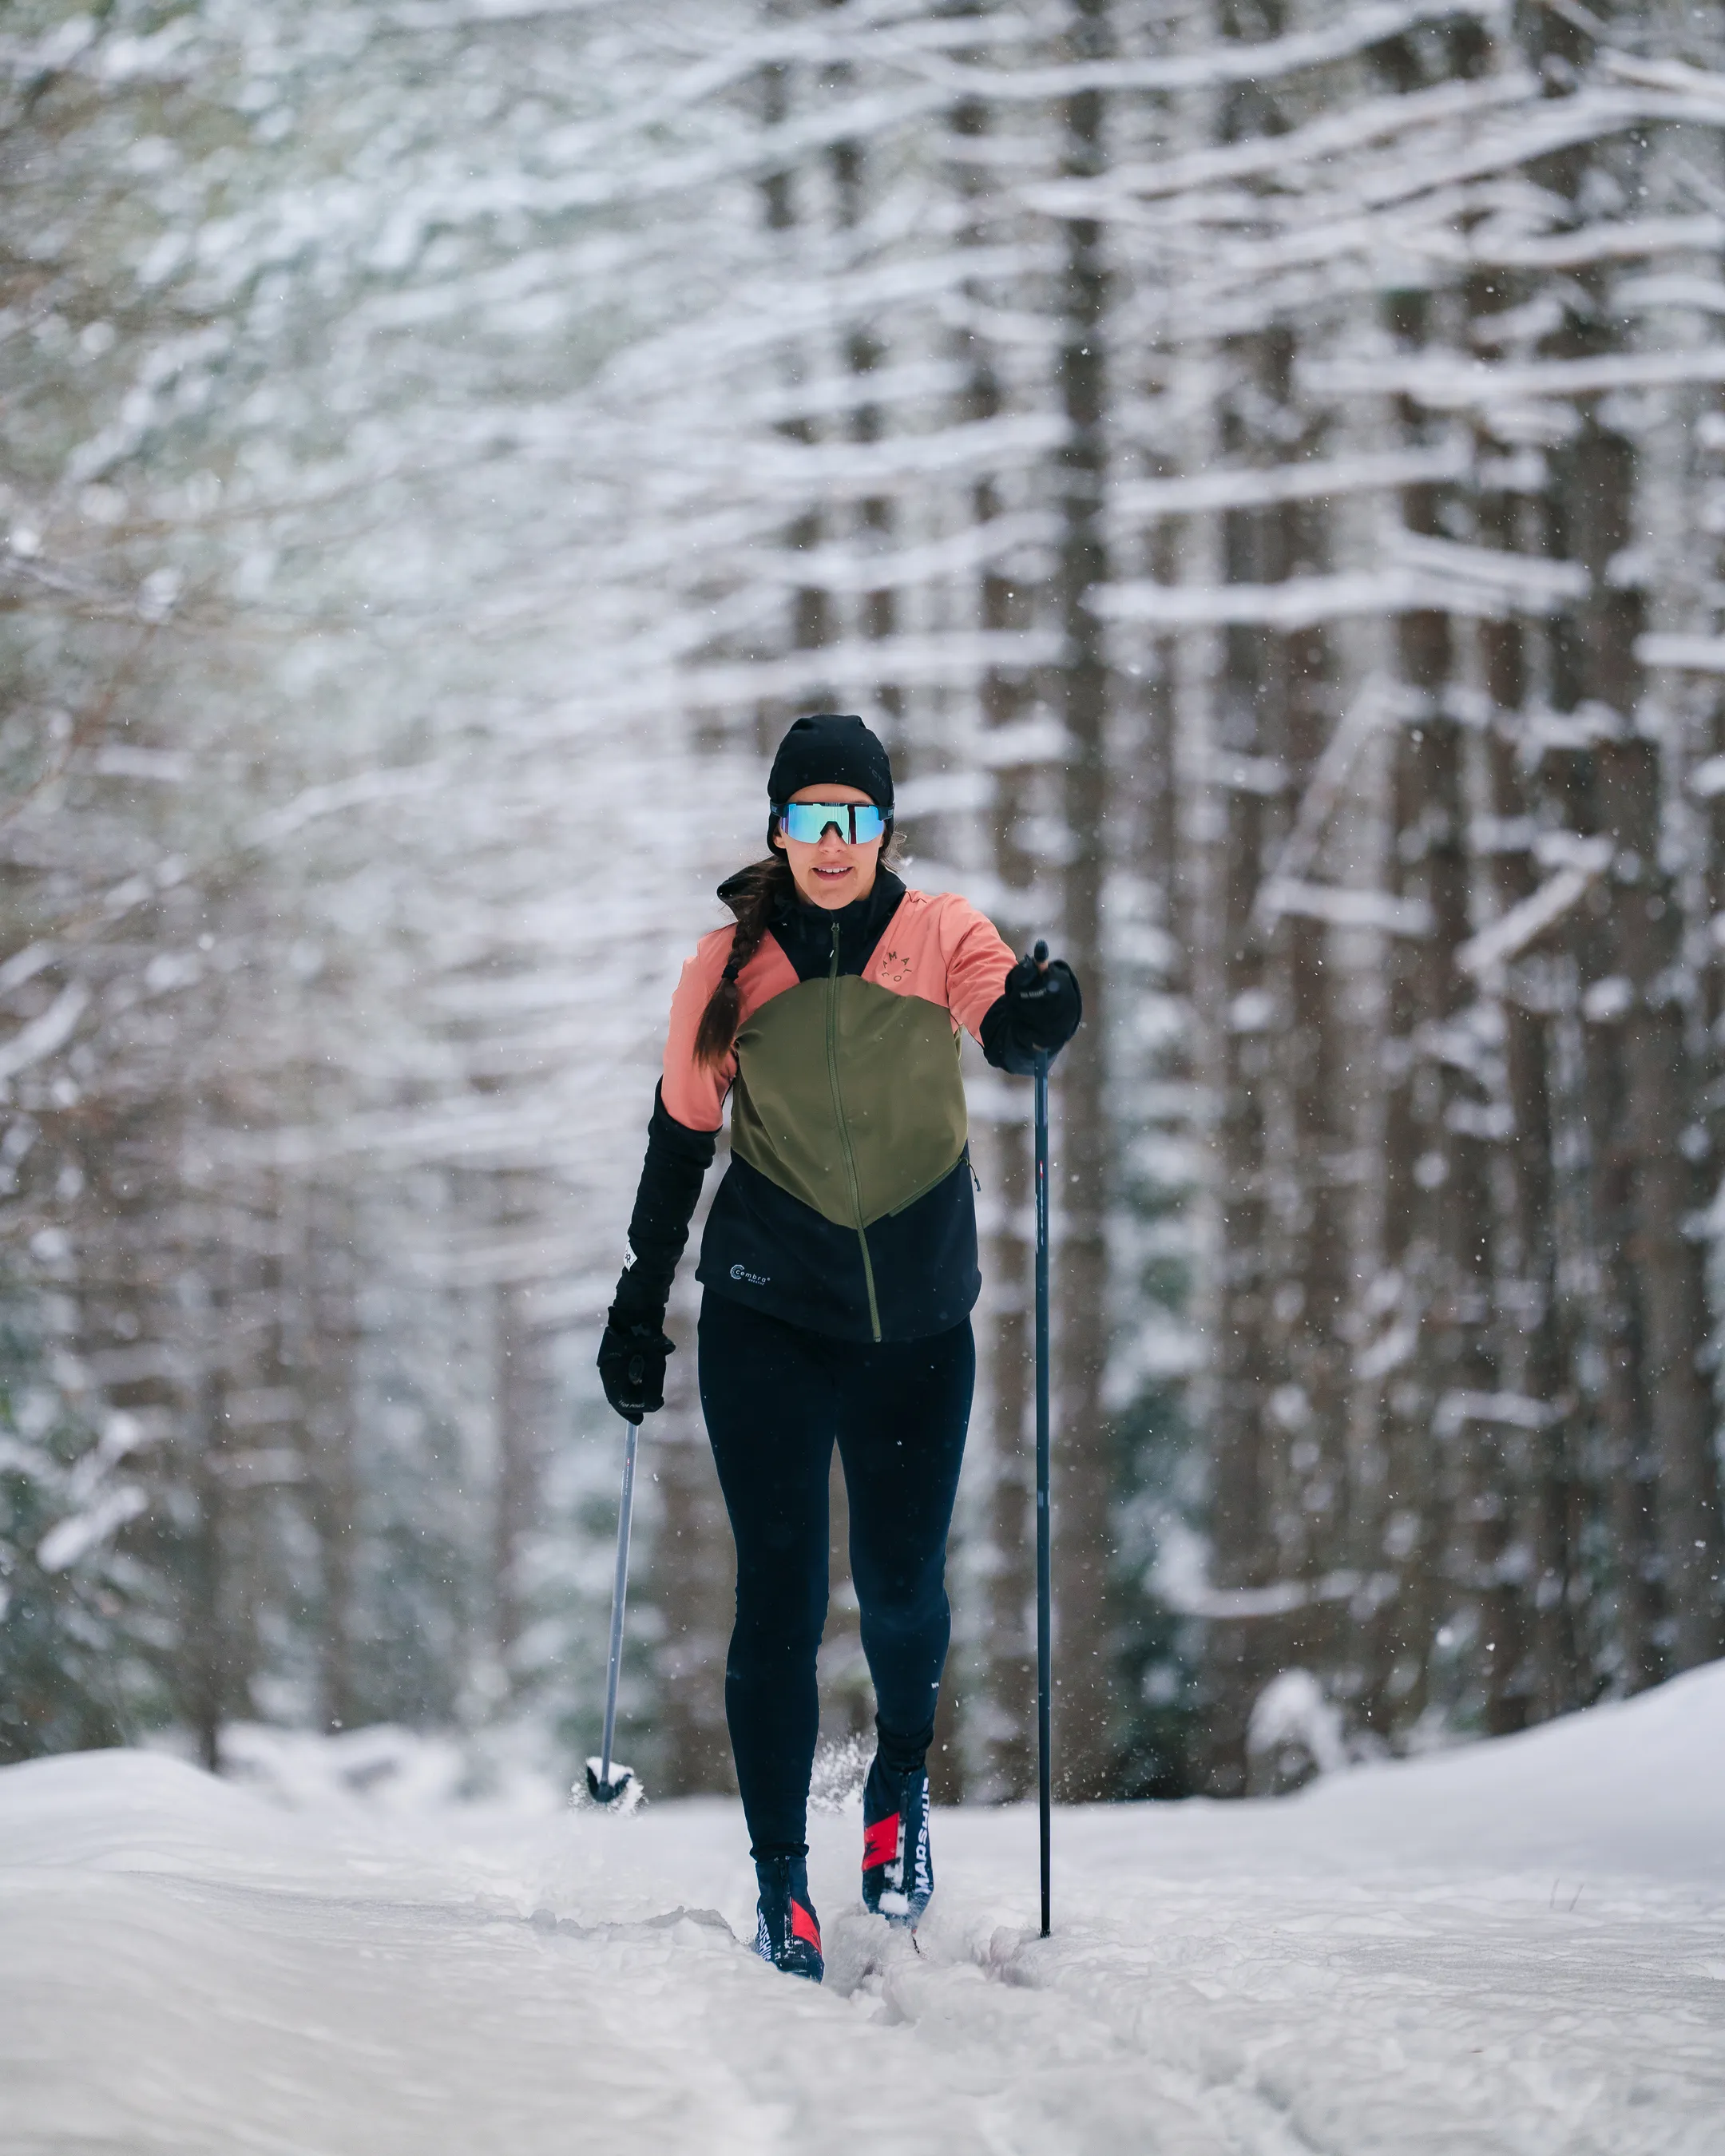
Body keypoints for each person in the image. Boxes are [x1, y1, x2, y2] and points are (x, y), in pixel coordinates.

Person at [597, 712, 1081, 1983]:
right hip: (768, 1311)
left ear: (883, 829)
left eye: (853, 818)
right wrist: (638, 1305)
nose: (831, 842)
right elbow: (679, 1140)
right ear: (778, 829)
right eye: (809, 817)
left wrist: (1040, 1018)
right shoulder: (727, 967)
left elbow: (1006, 1026)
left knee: (904, 1589)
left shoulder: (943, 933)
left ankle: (899, 1784)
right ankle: (780, 1883)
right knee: (781, 1597)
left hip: (917, 1318)